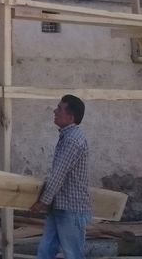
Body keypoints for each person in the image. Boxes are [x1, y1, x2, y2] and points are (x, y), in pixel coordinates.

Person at [30, 94, 92, 259]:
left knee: (73, 254)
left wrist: (42, 202)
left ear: (70, 117)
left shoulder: (72, 140)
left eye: (59, 109)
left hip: (71, 209)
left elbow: (58, 175)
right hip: (60, 206)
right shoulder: (68, 137)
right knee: (45, 251)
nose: (55, 111)